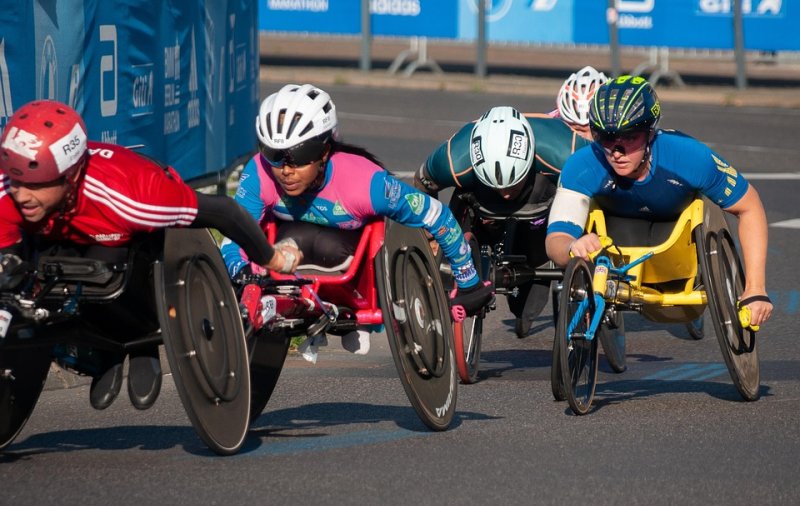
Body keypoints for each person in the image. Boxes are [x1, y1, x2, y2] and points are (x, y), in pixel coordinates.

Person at [0, 99, 301, 411]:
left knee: (104, 268)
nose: (21, 194)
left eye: (35, 184)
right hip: (60, 233)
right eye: (16, 179)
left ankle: (141, 339)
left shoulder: (137, 198)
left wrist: (271, 258)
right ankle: (100, 349)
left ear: (71, 175)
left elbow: (225, 212)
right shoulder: (6, 190)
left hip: (123, 233)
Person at [220, 83, 494, 355]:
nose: (285, 170)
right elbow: (235, 236)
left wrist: (468, 279)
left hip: (354, 263)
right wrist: (239, 270)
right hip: (287, 253)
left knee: (325, 245)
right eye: (273, 155)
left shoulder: (367, 185)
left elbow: (438, 215)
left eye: (298, 157)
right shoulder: (259, 173)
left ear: (324, 151)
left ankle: (348, 316)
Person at [545, 75, 772, 327]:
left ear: (650, 133)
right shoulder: (581, 165)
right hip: (617, 236)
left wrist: (755, 288)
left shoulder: (690, 157)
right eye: (607, 138)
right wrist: (572, 247)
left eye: (629, 137)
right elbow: (556, 239)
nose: (617, 152)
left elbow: (749, 207)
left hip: (677, 238)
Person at [412, 67, 607, 338]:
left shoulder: (566, 150)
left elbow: (608, 187)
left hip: (542, 205)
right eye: (498, 186)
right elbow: (422, 184)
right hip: (479, 200)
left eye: (511, 185)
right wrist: (431, 237)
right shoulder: (454, 158)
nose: (505, 193)